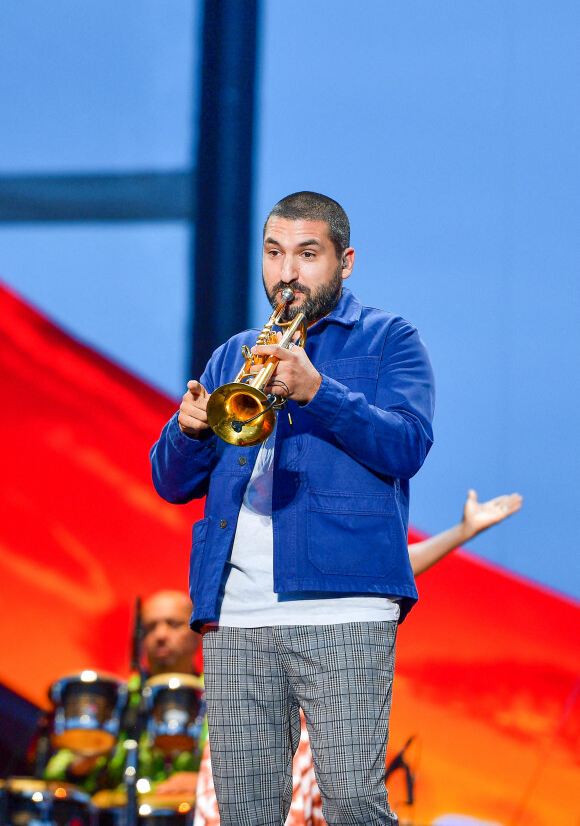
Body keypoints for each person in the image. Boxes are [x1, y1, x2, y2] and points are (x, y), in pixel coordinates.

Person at [151, 191, 436, 826]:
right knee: (244, 811)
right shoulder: (233, 353)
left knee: (355, 805)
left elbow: (407, 444)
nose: (287, 272)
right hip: (237, 610)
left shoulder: (390, 339)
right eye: (275, 253)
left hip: (345, 602)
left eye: (307, 254)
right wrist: (187, 429)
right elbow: (171, 485)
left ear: (345, 261)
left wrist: (317, 391)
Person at [192, 488, 523, 826]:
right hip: (259, 687)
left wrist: (462, 532)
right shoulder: (238, 560)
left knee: (352, 800)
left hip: (324, 702)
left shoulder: (329, 538)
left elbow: (385, 571)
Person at [43, 590, 205, 797]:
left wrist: (206, 782)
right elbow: (56, 775)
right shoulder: (121, 697)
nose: (161, 635)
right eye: (150, 627)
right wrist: (80, 765)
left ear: (198, 634)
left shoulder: (220, 699)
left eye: (173, 624)